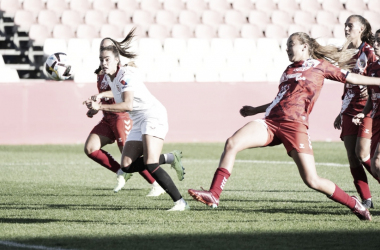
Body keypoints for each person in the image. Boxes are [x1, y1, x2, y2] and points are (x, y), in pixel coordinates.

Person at [188, 32, 380, 221]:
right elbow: (281, 100)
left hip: (294, 126)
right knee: (232, 142)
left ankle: (354, 203)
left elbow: (353, 78)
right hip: (271, 121)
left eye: (291, 45)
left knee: (312, 180)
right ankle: (214, 194)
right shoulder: (288, 70)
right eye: (287, 45)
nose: (287, 49)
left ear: (304, 46)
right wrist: (256, 109)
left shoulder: (320, 66)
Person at [84, 29, 189, 211]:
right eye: (101, 59)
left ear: (117, 59)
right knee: (126, 166)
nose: (103, 62)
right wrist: (95, 108)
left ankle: (180, 202)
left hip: (152, 115)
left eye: (107, 59)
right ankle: (171, 158)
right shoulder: (110, 78)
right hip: (139, 119)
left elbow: (128, 105)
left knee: (150, 163)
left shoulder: (125, 74)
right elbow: (116, 100)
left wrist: (100, 106)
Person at [333, 15, 378, 209]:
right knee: (352, 156)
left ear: (361, 28)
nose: (346, 28)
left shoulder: (370, 51)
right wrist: (340, 110)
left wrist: (366, 89)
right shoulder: (347, 53)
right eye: (345, 25)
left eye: (350, 25)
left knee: (363, 153)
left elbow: (374, 78)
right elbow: (347, 84)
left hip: (368, 106)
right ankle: (366, 200)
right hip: (349, 108)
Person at [352, 29, 380, 182]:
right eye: (375, 40)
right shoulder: (372, 67)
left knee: (377, 162)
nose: (375, 44)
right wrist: (364, 113)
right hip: (376, 119)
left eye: (379, 41)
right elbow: (372, 96)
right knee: (375, 168)